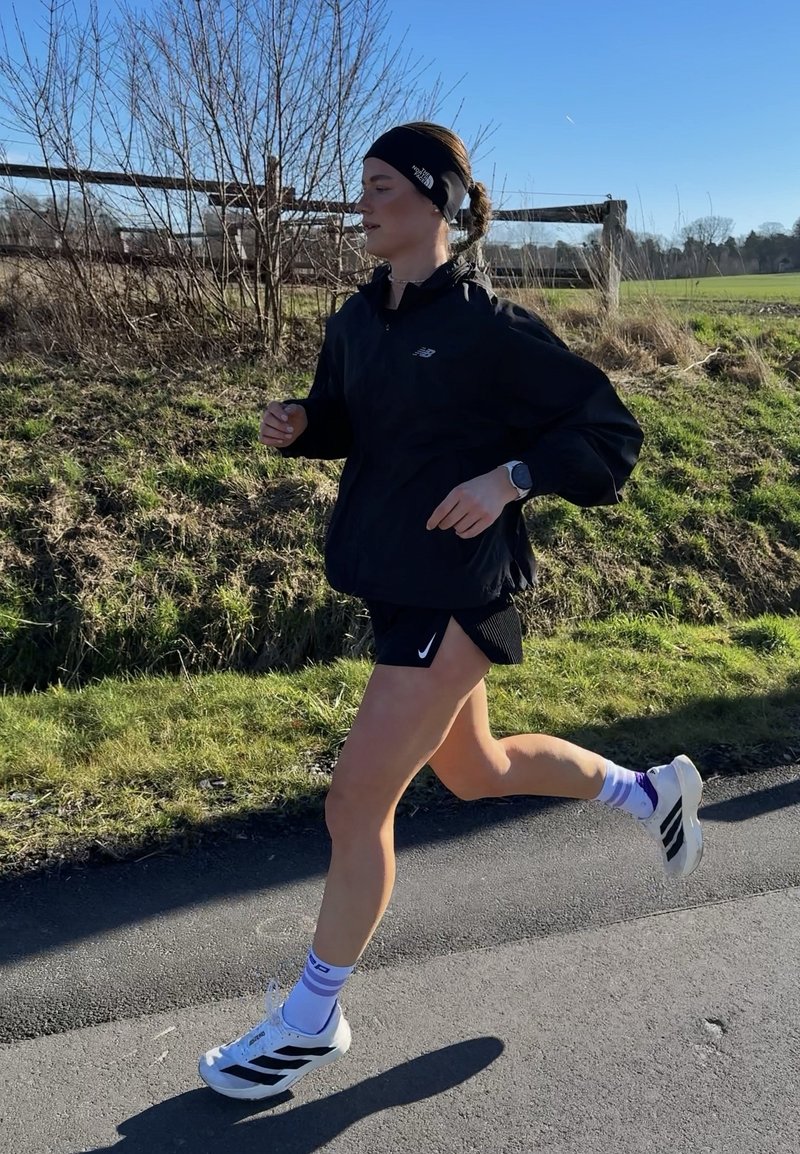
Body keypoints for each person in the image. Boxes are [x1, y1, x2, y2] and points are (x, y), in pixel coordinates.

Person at [198, 122, 704, 1100]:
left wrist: (511, 475)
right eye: (362, 187)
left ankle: (311, 1016)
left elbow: (608, 432)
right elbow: (350, 416)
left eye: (381, 186)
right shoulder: (353, 321)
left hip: (461, 590)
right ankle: (650, 791)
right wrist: (303, 426)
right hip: (396, 583)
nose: (363, 204)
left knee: (355, 801)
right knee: (478, 771)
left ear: (432, 198)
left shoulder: (488, 327)